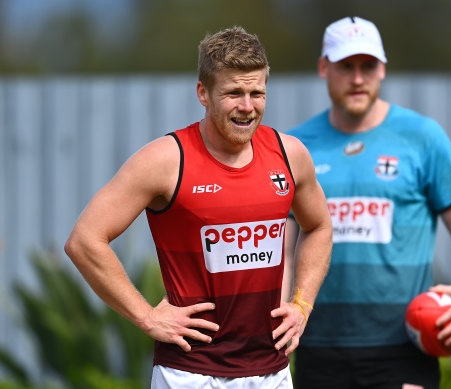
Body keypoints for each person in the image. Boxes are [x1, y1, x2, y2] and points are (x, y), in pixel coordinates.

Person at [65, 26, 332, 388]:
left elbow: (319, 227)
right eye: (233, 93)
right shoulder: (165, 160)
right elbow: (84, 241)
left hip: (271, 371)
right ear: (203, 93)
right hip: (188, 374)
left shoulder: (290, 155)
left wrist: (302, 305)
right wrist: (147, 317)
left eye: (257, 93)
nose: (247, 106)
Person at [284, 16, 451, 389]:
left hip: (406, 347)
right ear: (323, 68)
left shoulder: (423, 137)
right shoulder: (297, 147)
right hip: (317, 348)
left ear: (383, 68)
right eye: (345, 66)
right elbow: (283, 247)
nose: (357, 78)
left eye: (368, 66)